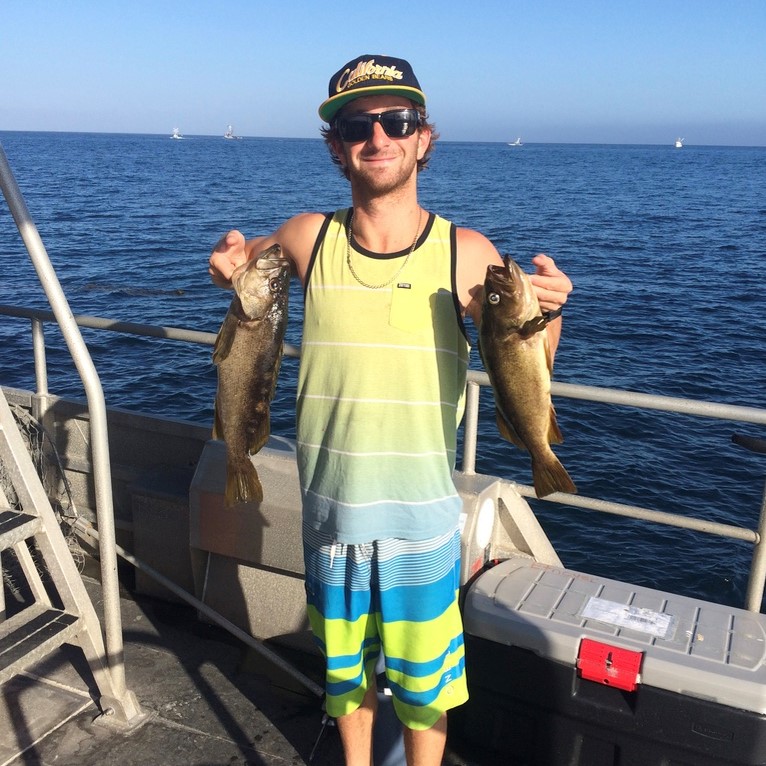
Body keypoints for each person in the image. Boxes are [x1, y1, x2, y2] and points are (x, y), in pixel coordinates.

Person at [209, 54, 573, 766]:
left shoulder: (464, 253)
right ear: (337, 146)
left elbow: (527, 368)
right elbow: (238, 263)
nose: (378, 136)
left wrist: (549, 313)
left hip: (420, 522)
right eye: (356, 124)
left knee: (422, 688)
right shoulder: (308, 237)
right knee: (345, 684)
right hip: (330, 512)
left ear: (422, 139)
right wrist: (221, 260)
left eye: (396, 121)